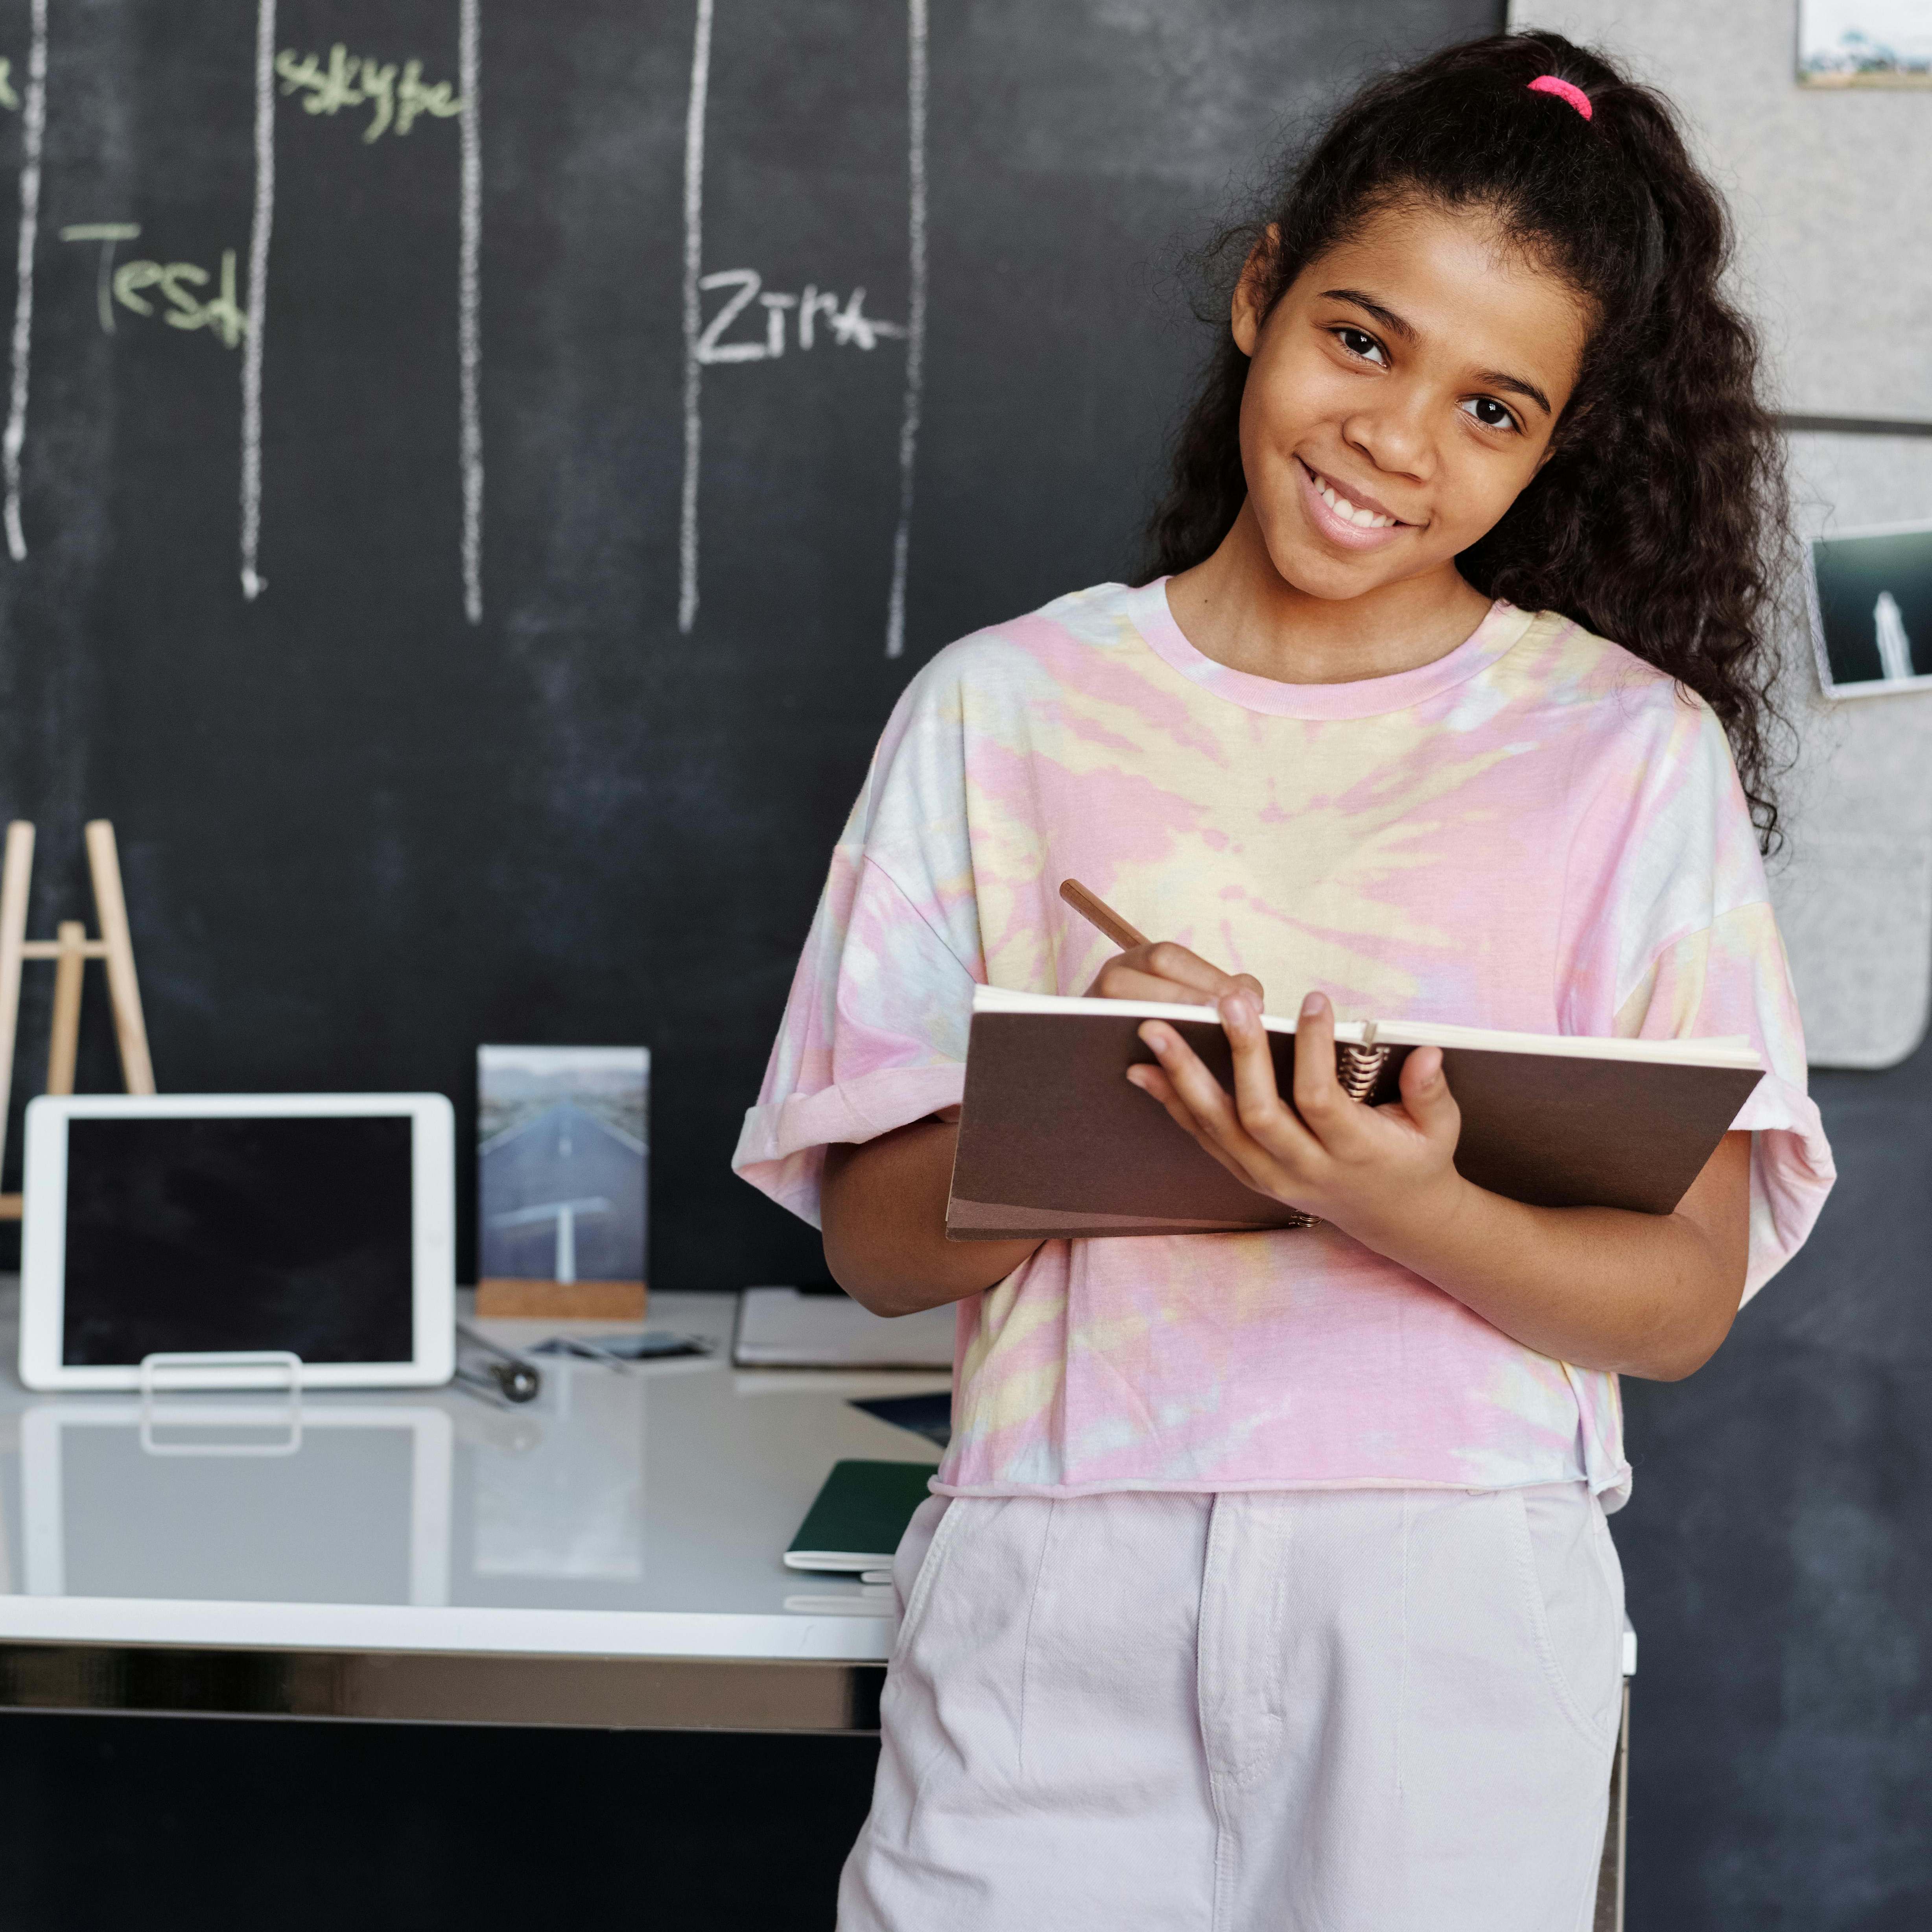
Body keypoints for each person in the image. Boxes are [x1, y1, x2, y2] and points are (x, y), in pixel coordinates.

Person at [734, 29, 1834, 1931]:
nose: (1397, 442)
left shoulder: (1621, 754)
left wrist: (1385, 1192)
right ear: (1261, 293)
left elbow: (1675, 1301)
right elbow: (876, 1246)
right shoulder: (1003, 712)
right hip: (1054, 1583)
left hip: (1450, 1608)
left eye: (1495, 409)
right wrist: (1105, 1105)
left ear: (1558, 440)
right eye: (1361, 340)